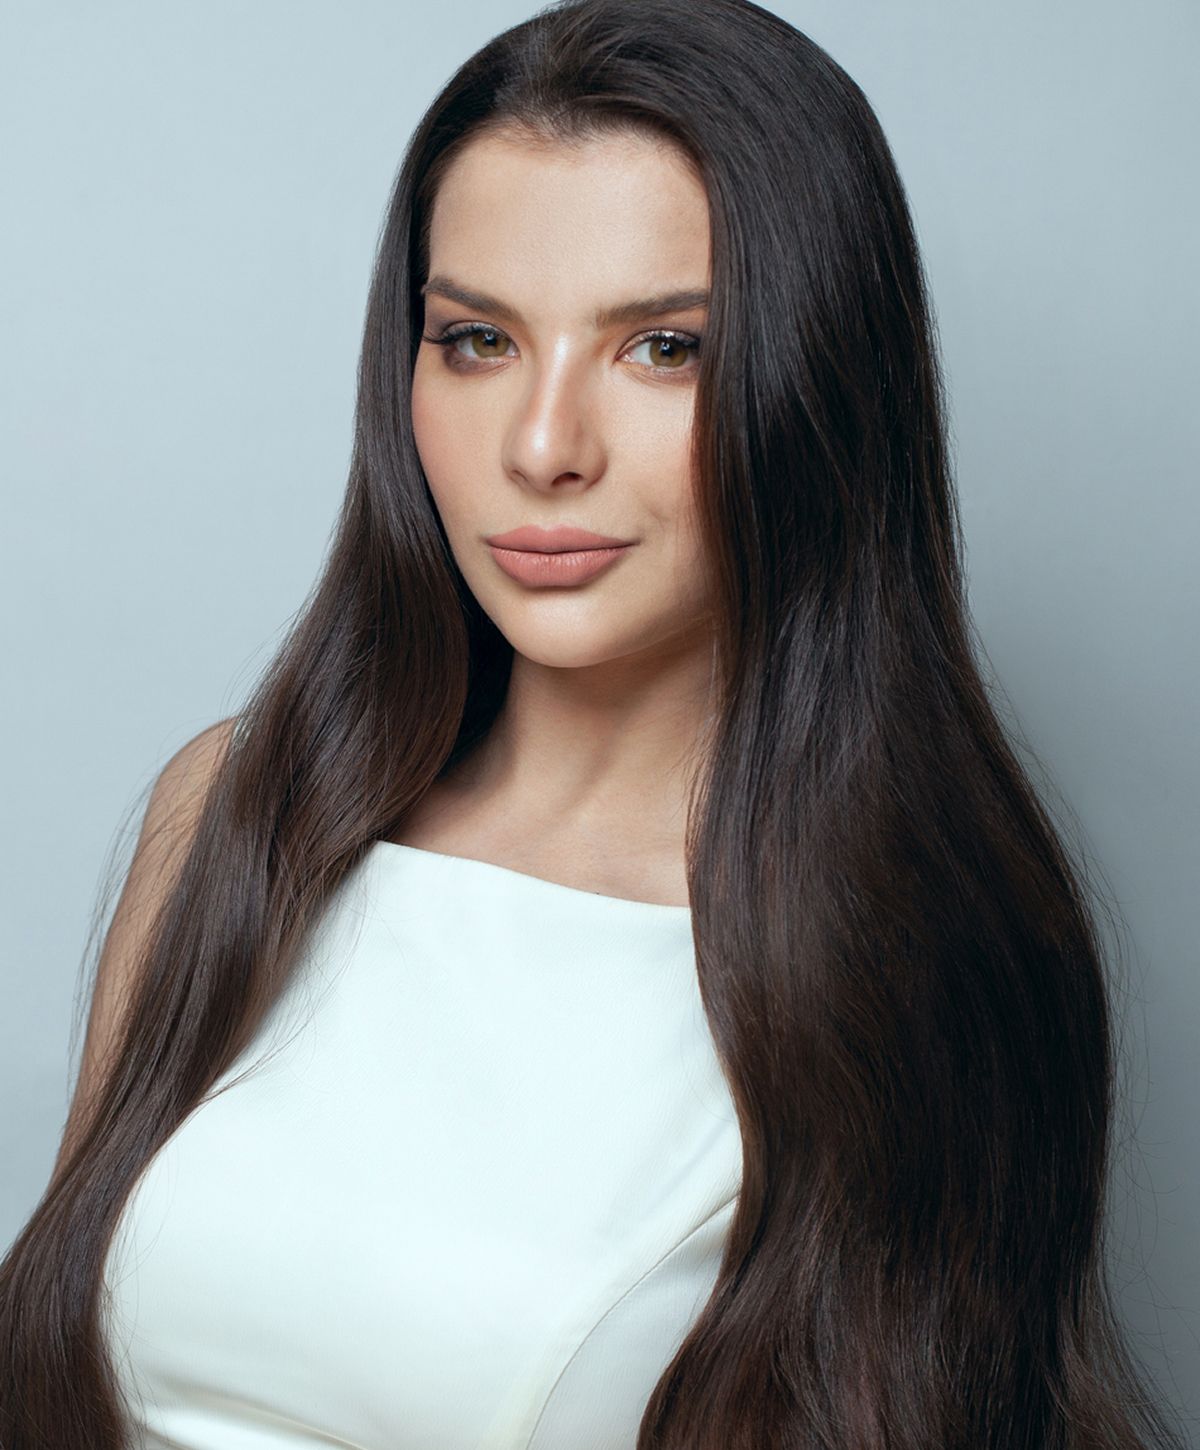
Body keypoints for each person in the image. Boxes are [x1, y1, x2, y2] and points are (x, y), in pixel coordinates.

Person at [0, 1, 1186, 1447]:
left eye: (664, 348)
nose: (543, 447)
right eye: (479, 338)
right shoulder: (240, 805)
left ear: (817, 379)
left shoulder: (907, 943)